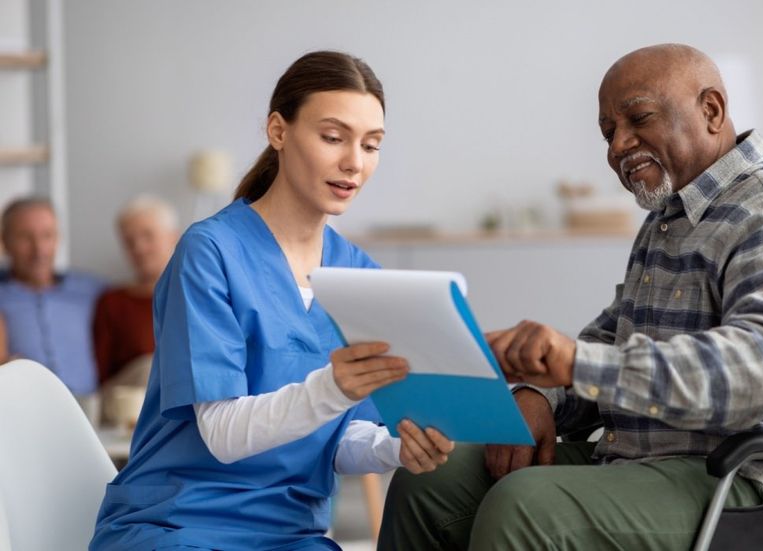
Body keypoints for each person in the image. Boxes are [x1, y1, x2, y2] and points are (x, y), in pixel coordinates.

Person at [379, 43, 763, 550]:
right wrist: (541, 395)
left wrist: (575, 362)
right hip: (653, 461)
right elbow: (613, 339)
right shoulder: (668, 220)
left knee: (529, 508)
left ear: (711, 110)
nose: (619, 145)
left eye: (638, 118)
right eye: (608, 132)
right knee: (431, 482)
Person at [90, 51, 455, 551]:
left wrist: (397, 447)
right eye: (333, 137)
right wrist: (334, 386)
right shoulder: (210, 251)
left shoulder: (361, 275)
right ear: (278, 131)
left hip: (288, 534)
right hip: (178, 525)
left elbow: (344, 438)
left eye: (371, 145)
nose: (354, 162)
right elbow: (220, 433)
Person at [0, 197, 105, 395]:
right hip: (24, 404)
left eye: (47, 236)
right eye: (25, 237)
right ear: (4, 241)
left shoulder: (89, 289)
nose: (39, 250)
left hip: (90, 406)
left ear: (58, 239)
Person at [93, 195, 179, 386]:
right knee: (150, 368)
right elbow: (101, 375)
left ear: (174, 237)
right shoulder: (113, 302)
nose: (138, 248)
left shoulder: (199, 295)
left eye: (148, 236)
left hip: (191, 400)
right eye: (129, 242)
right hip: (128, 400)